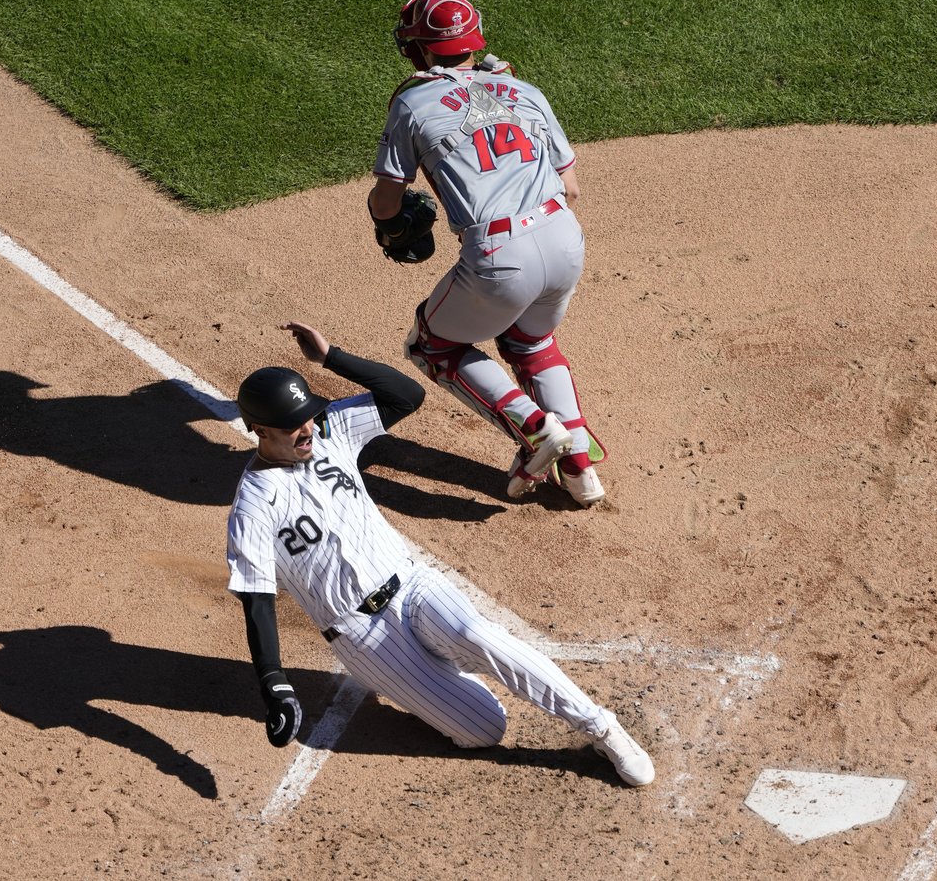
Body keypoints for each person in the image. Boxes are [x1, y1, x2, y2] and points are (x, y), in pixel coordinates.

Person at [225, 321, 655, 787]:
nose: (306, 428)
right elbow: (257, 601)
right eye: (292, 426)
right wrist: (276, 685)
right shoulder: (253, 506)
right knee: (485, 729)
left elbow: (405, 395)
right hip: (361, 636)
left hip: (411, 585)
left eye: (307, 414)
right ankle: (440, 678)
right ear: (259, 430)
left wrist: (331, 358)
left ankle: (601, 727)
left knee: (481, 635)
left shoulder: (330, 432)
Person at [367, 0, 606, 507]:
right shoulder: (524, 89)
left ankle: (537, 430)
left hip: (500, 255)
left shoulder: (412, 101)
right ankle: (581, 470)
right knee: (533, 343)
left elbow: (387, 202)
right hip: (565, 238)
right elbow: (572, 187)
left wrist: (390, 223)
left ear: (419, 48)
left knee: (431, 345)